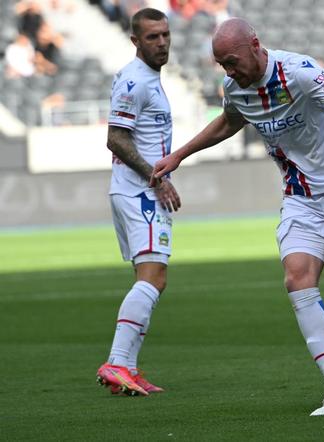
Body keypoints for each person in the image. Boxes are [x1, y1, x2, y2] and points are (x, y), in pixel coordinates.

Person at [150, 17, 324, 416]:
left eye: (232, 61)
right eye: (222, 66)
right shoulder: (236, 87)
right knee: (297, 278)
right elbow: (228, 123)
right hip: (301, 194)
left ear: (255, 45)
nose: (228, 72)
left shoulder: (298, 71)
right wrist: (178, 155)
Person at [96, 7, 181, 397]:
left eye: (164, 35)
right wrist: (157, 178)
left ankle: (127, 367)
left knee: (149, 281)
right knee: (154, 278)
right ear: (135, 41)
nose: (161, 42)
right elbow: (116, 138)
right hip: (140, 194)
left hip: (136, 191)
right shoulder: (135, 80)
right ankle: (116, 362)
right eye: (152, 37)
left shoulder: (148, 78)